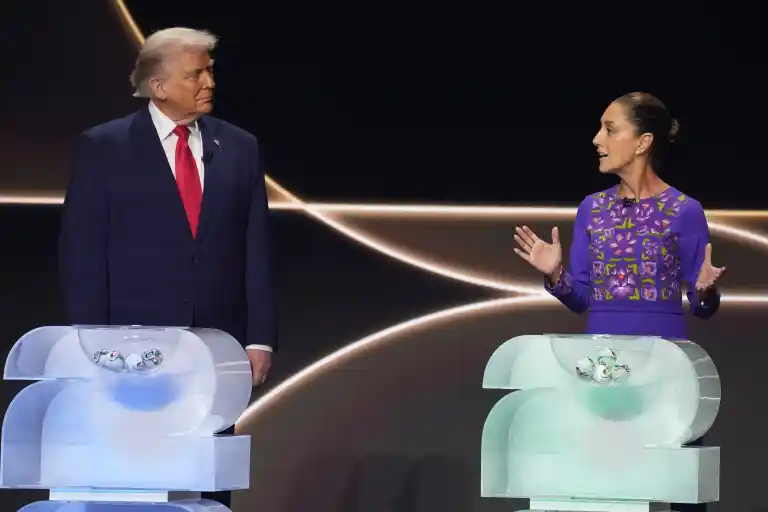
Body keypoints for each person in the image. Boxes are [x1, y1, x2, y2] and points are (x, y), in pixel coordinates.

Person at [59, 27, 276, 508]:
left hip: (216, 347)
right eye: (196, 74)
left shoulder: (240, 147)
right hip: (130, 349)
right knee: (137, 475)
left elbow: (255, 245)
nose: (209, 83)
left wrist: (259, 337)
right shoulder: (105, 146)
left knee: (208, 481)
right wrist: (91, 342)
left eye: (210, 71)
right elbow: (82, 251)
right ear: (158, 86)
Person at [513, 92, 725, 512]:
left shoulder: (684, 211)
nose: (597, 139)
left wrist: (705, 292)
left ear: (643, 142)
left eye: (610, 129)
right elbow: (581, 299)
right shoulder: (592, 209)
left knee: (680, 492)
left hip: (666, 373)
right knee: (605, 489)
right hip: (604, 371)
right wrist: (554, 275)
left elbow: (701, 307)